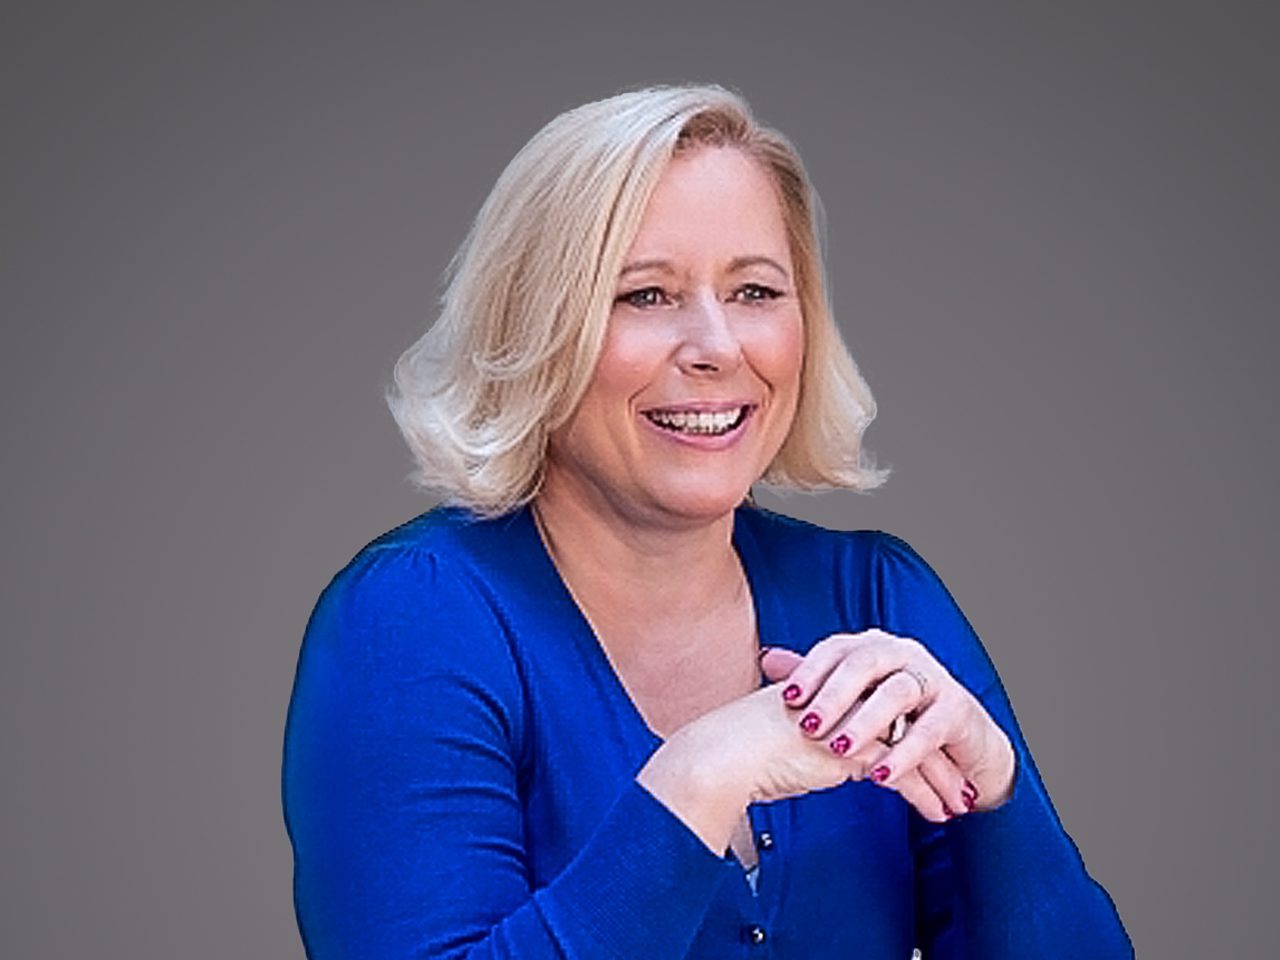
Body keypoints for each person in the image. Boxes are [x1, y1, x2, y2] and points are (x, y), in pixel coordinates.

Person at [282, 85, 1132, 958]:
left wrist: (997, 793)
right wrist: (699, 780)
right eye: (644, 296)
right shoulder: (412, 623)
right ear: (534, 330)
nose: (718, 346)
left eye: (757, 290)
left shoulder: (879, 596)